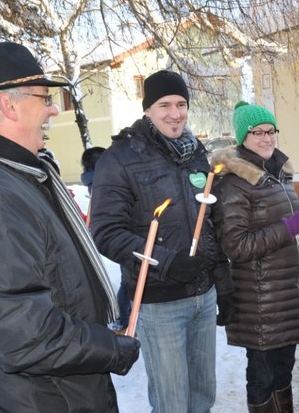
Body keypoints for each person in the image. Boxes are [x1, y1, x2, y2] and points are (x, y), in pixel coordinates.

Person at [0, 42, 140, 412]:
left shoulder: (11, 176)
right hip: (40, 400)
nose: (53, 109)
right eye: (44, 98)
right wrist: (109, 348)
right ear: (8, 105)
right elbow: (19, 333)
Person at [90, 69, 234, 413]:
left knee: (202, 398)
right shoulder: (120, 158)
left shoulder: (195, 153)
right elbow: (107, 232)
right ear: (148, 109)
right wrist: (166, 261)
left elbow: (208, 222)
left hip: (203, 297)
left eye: (181, 104)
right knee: (172, 404)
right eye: (164, 105)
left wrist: (223, 281)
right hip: (160, 303)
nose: (175, 113)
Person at [211, 101, 299, 412]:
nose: (267, 138)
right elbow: (236, 246)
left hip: (285, 295)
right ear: (243, 137)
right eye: (258, 132)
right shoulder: (234, 183)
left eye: (271, 131)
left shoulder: (278, 175)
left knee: (283, 372)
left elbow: (288, 234)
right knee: (262, 377)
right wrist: (288, 227)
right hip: (259, 301)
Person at [81, 146, 131, 333]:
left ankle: (124, 317)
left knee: (127, 280)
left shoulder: (94, 179)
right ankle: (123, 319)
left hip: (115, 231)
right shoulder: (104, 179)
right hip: (120, 231)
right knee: (127, 280)